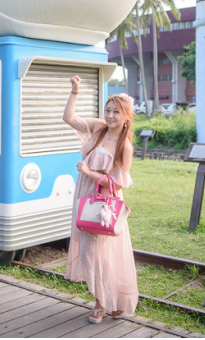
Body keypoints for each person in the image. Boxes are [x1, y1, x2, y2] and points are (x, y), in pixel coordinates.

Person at [63, 75, 139, 323]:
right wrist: (75, 92)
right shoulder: (98, 128)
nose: (109, 116)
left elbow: (118, 183)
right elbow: (69, 119)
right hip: (86, 196)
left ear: (126, 116)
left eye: (115, 112)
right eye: (107, 110)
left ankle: (102, 302)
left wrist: (89, 172)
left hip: (105, 203)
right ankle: (108, 299)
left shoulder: (125, 146)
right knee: (90, 252)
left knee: (99, 254)